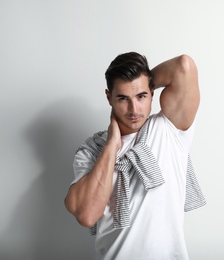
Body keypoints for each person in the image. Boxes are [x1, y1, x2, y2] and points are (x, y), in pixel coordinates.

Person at [65, 52, 206, 259]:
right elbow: (87, 215)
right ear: (109, 97)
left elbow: (184, 66)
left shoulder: (169, 129)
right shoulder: (92, 151)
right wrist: (112, 144)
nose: (134, 109)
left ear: (152, 92)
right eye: (123, 98)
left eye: (141, 96)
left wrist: (145, 80)